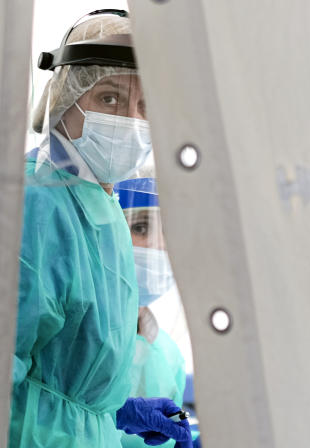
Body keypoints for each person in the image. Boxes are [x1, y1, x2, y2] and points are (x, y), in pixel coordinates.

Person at [10, 10, 192, 448]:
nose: (130, 120)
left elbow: (65, 372)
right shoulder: (35, 204)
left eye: (144, 106)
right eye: (109, 98)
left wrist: (116, 407)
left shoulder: (102, 210)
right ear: (65, 98)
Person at [113, 177, 191, 448]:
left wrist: (184, 422)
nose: (158, 245)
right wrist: (115, 413)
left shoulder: (169, 355)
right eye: (141, 227)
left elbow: (179, 415)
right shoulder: (75, 332)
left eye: (167, 233)